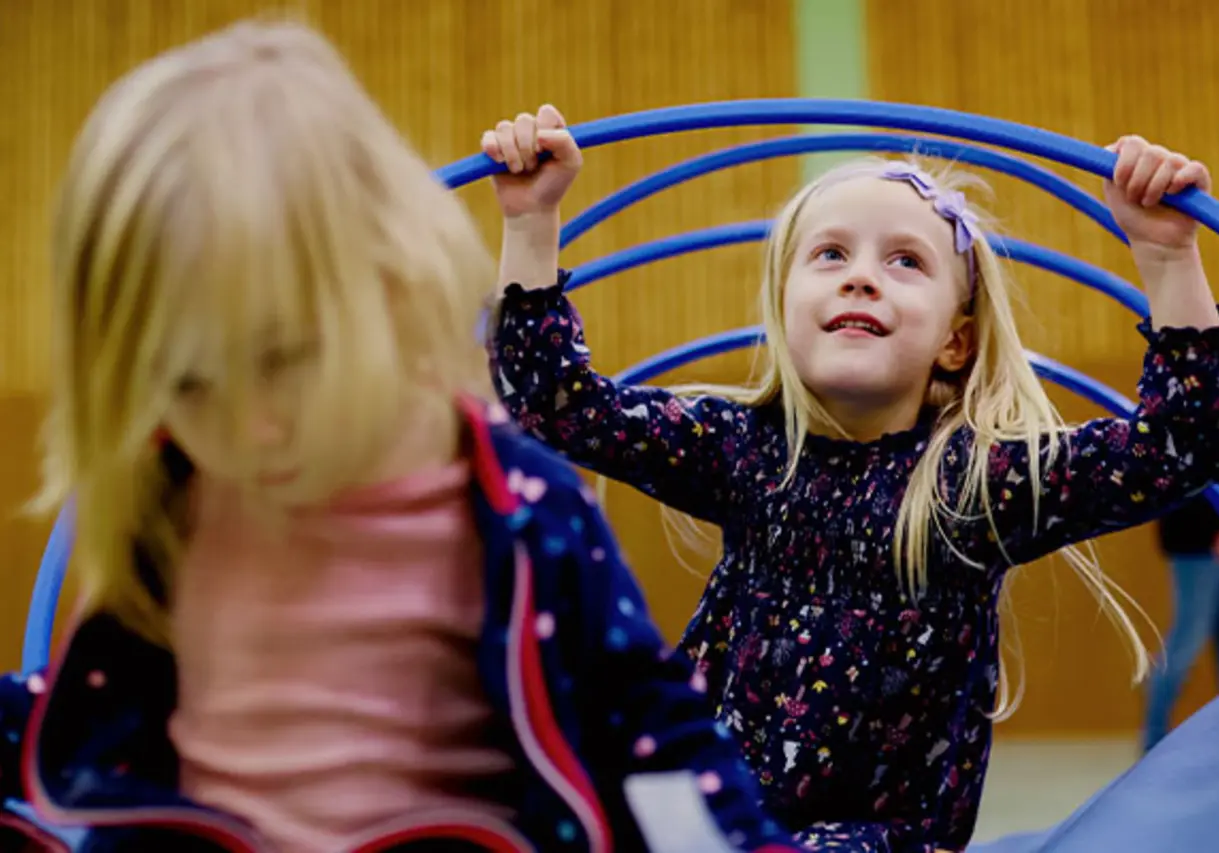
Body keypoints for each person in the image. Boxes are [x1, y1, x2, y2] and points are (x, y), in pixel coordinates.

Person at [0, 22, 807, 853]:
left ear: (390, 283)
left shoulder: (514, 509)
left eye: (282, 359)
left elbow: (647, 732)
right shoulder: (180, 500)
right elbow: (88, 707)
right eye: (190, 386)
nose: (249, 425)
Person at [482, 105, 1219, 853]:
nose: (861, 280)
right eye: (830, 255)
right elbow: (557, 404)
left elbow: (1184, 444)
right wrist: (529, 225)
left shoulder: (975, 484)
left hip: (876, 838)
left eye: (905, 261)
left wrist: (1167, 256)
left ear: (955, 340)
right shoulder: (741, 450)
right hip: (707, 803)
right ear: (785, 312)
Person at [1141, 467, 1219, 752]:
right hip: (1197, 549)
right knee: (1186, 641)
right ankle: (1153, 738)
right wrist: (1215, 534)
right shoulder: (1180, 433)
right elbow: (1179, 487)